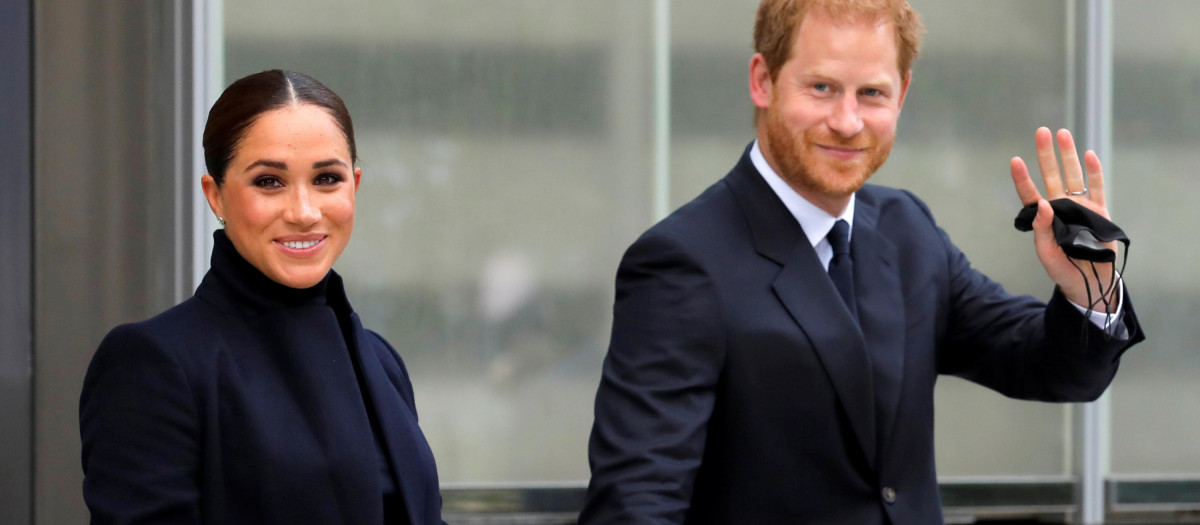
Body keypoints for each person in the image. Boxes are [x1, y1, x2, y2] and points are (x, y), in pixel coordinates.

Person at [580, 1, 1145, 524]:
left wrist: (1088, 291)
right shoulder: (683, 261)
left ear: (901, 95)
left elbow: (1047, 367)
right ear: (762, 80)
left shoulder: (907, 230)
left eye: (871, 93)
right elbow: (637, 502)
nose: (847, 121)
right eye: (822, 87)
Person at [80, 70, 445, 525]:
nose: (304, 212)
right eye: (269, 182)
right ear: (216, 196)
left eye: (327, 179)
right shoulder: (153, 362)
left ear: (355, 185)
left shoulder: (381, 362)